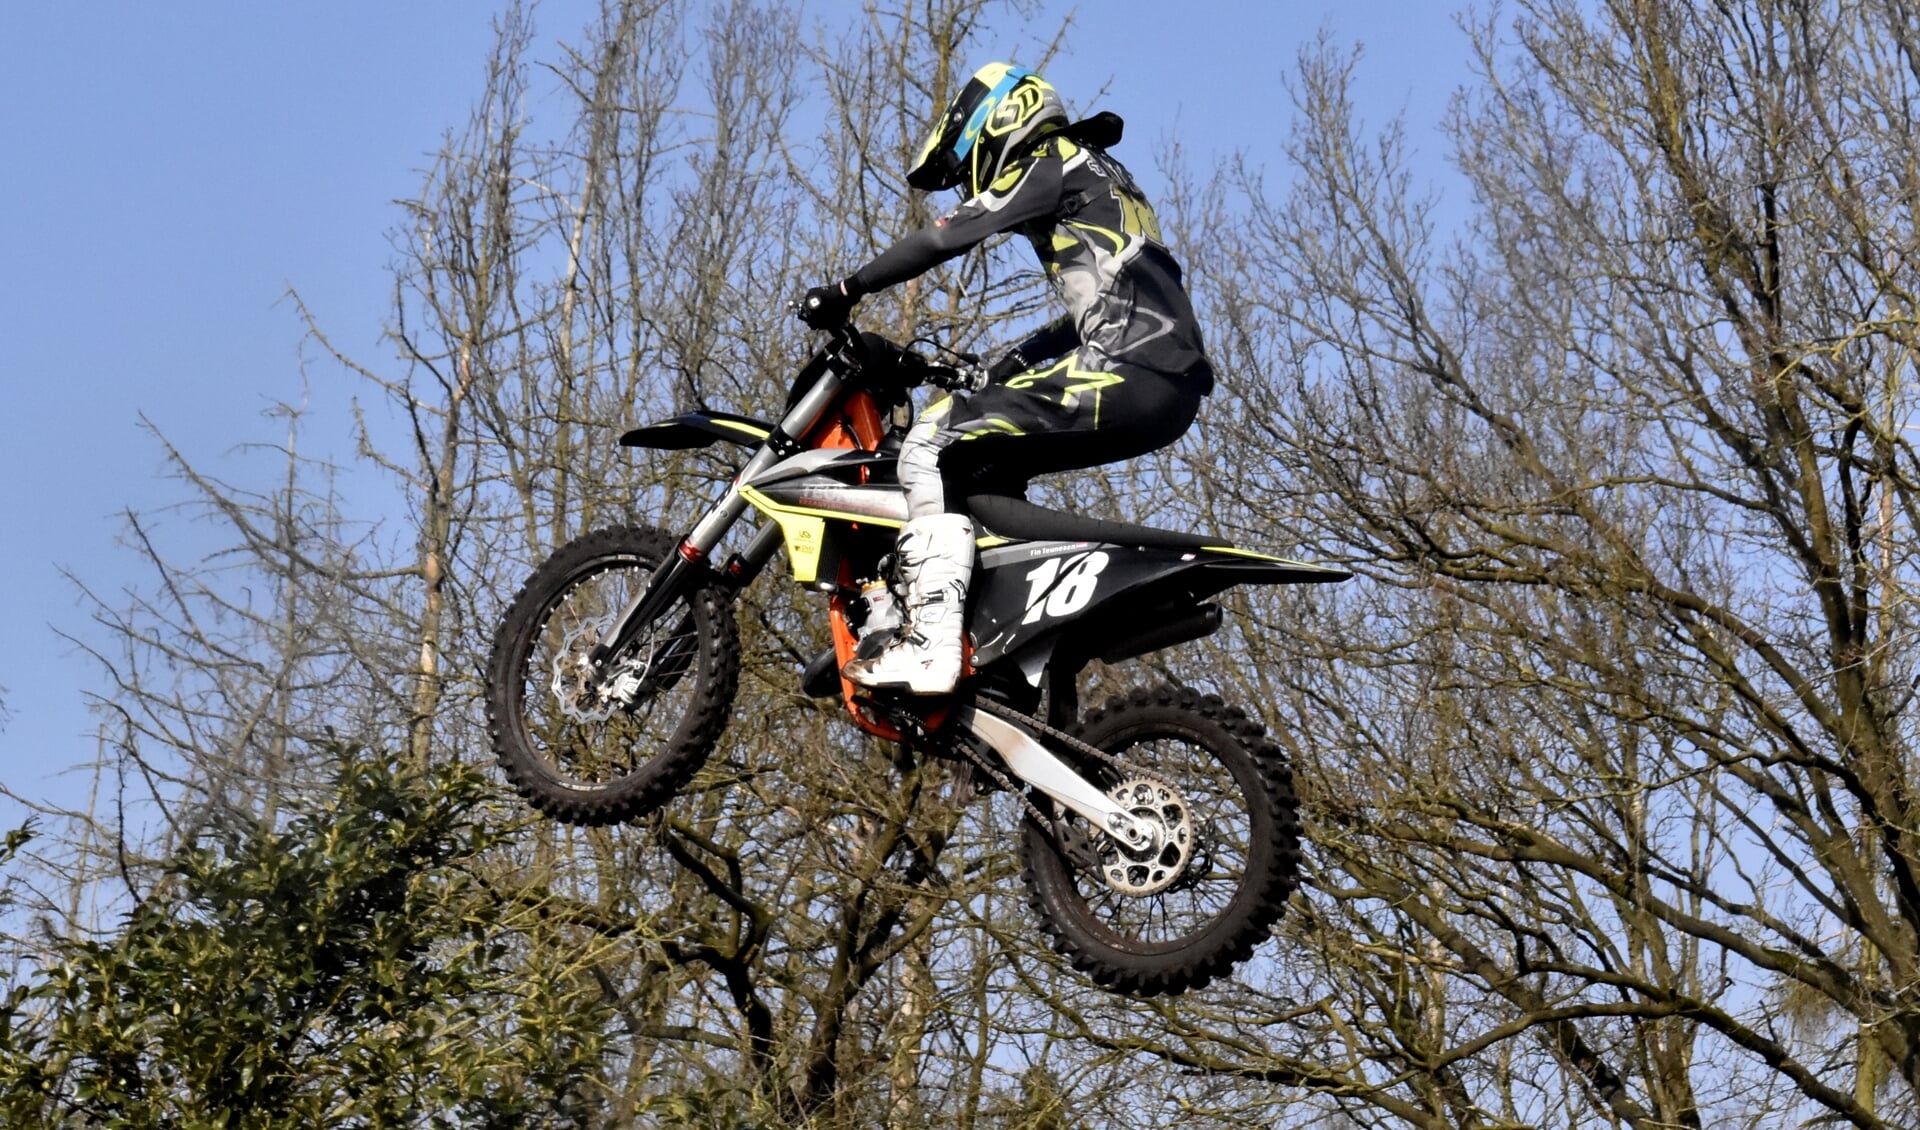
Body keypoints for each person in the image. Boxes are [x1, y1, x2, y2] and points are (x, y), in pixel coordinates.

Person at [800, 62, 1214, 695]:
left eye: (970, 154)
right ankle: (1002, 667)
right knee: (986, 469)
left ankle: (929, 644)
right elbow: (1110, 295)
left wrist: (844, 289)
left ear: (1000, 119)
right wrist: (1016, 360)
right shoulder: (1102, 174)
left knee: (932, 438)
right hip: (1163, 381)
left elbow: (944, 239)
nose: (972, 173)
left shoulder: (1053, 159)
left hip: (1127, 367)